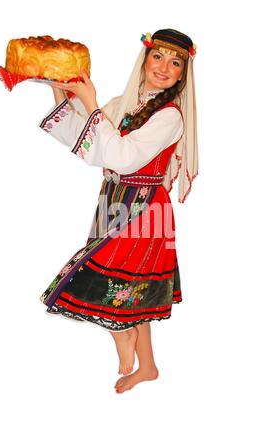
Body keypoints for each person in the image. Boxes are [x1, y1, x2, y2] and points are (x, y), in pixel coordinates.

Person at [38, 28, 199, 393]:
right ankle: (148, 366)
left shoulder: (169, 116)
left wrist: (91, 102)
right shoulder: (128, 103)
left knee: (121, 281)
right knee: (131, 286)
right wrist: (60, 89)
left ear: (182, 74)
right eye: (157, 56)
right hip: (114, 201)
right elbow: (85, 133)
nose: (164, 67)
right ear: (144, 59)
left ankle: (123, 334)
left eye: (175, 63)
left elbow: (122, 157)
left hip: (144, 209)